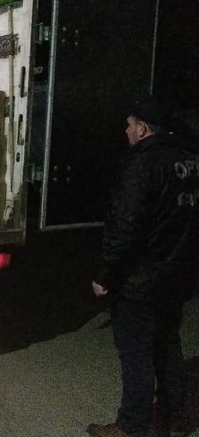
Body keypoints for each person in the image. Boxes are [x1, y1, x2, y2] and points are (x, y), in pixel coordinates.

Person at [87, 96, 199, 437]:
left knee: (136, 353)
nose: (126, 131)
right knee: (167, 345)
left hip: (141, 280)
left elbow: (125, 226)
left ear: (143, 129)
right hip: (177, 276)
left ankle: (131, 427)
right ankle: (176, 420)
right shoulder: (190, 161)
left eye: (129, 124)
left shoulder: (142, 164)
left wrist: (106, 274)